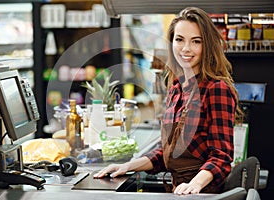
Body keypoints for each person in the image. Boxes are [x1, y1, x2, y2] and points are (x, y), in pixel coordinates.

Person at [94, 7, 243, 194]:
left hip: (203, 193)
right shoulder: (176, 88)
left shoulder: (216, 89)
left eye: (196, 41)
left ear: (208, 46)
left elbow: (221, 158)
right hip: (177, 191)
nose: (186, 48)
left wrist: (194, 185)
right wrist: (127, 166)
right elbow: (165, 153)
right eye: (179, 39)